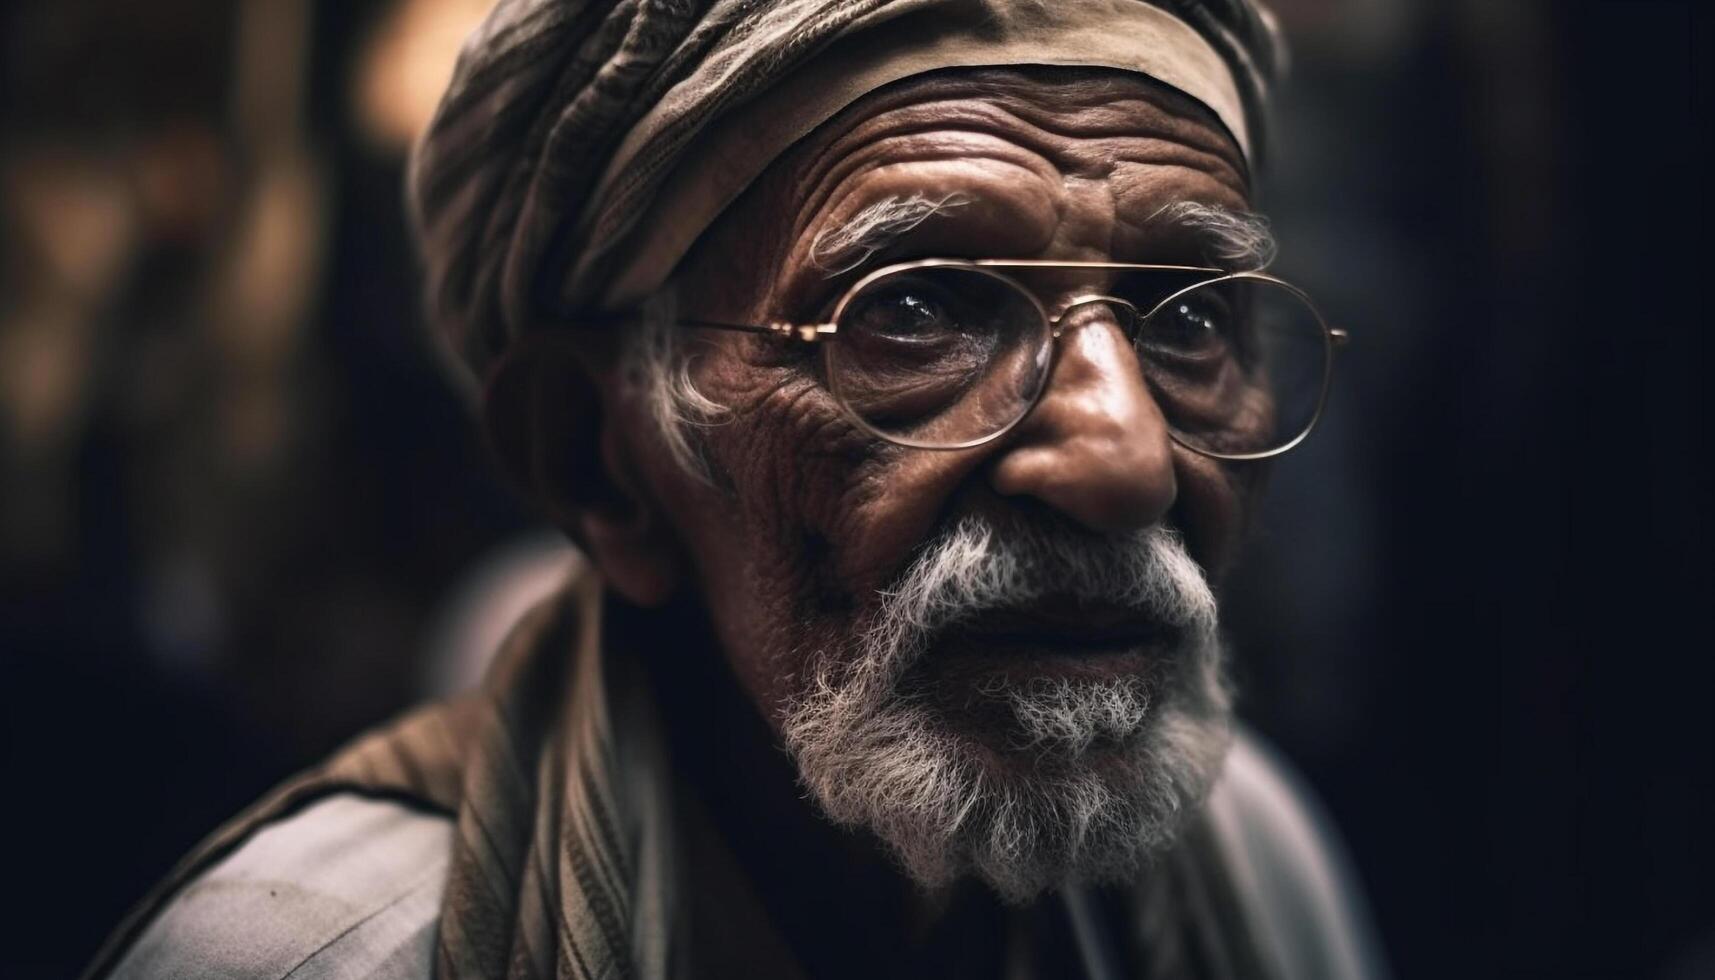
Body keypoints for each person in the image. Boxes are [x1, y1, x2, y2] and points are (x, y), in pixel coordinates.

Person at [87, 1, 1386, 977]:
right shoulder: (312, 957)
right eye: (921, 308)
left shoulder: (1257, 869)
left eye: (1187, 319)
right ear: (601, 463)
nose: (1125, 458)